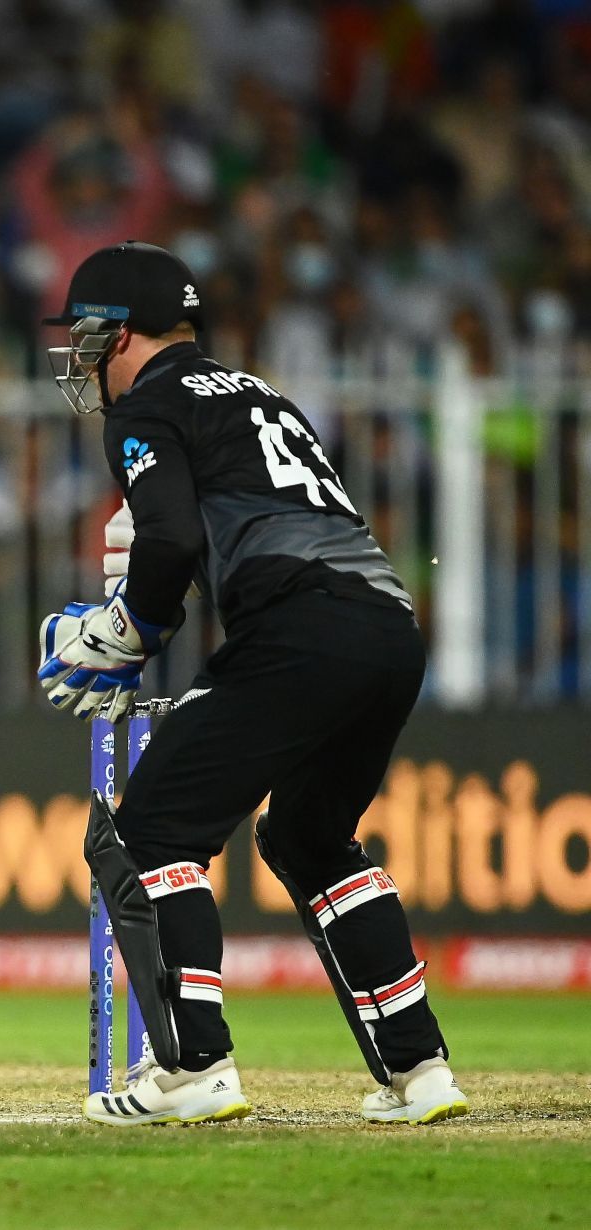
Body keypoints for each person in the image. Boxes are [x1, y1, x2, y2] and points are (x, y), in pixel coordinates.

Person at [35, 241, 466, 1127]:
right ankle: (420, 1072)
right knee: (310, 840)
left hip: (302, 629)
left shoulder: (147, 405)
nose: (80, 357)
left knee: (149, 831)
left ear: (120, 335)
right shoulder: (259, 392)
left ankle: (194, 1067)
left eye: (87, 335)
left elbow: (168, 543)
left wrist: (121, 635)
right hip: (387, 628)